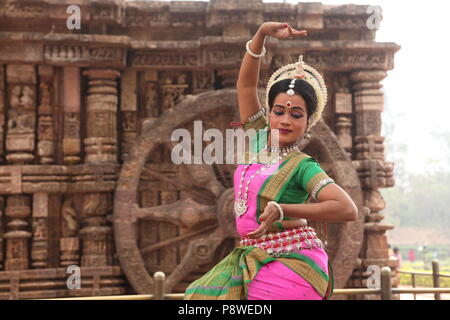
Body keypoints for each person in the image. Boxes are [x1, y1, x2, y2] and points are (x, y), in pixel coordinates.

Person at [184, 22, 358, 300]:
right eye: (279, 111)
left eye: (297, 115)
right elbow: (245, 86)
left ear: (308, 121)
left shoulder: (303, 166)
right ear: (270, 112)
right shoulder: (257, 137)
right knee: (197, 298)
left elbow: (347, 209)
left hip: (292, 262)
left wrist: (282, 208)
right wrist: (260, 34)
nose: (285, 120)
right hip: (253, 254)